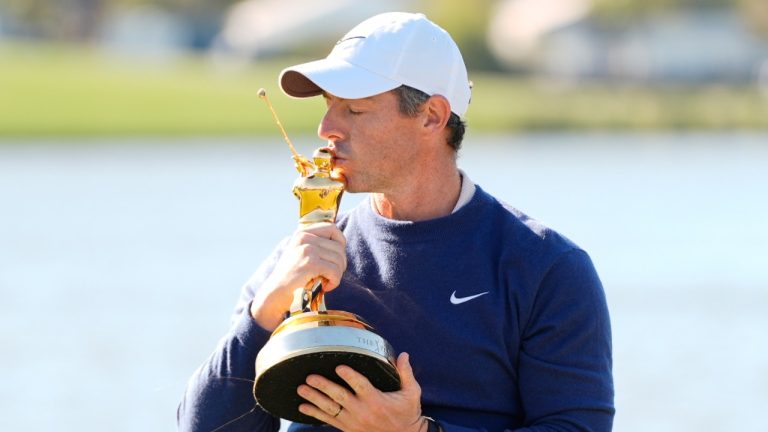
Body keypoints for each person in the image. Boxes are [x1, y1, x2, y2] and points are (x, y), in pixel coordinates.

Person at [178, 12, 614, 432]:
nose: (326, 128)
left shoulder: (546, 268)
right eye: (329, 106)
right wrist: (265, 311)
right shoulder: (300, 260)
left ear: (432, 116)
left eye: (354, 110)